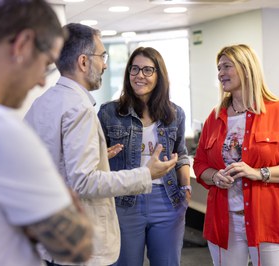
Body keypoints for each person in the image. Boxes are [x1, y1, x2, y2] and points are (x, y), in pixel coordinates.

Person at [24, 24, 178, 266]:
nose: (105, 64)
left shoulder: (43, 103)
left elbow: (40, 165)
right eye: (102, 56)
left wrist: (97, 157)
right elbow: (84, 182)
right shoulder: (80, 109)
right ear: (84, 62)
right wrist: (146, 174)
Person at [0, 1, 94, 265]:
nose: (42, 80)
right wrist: (64, 202)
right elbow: (76, 246)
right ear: (23, 45)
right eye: (46, 63)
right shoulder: (0, 131)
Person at [193, 44, 279, 266]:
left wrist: (258, 173)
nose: (220, 73)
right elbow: (199, 164)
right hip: (224, 222)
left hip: (268, 220)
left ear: (246, 68)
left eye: (227, 66)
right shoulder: (215, 117)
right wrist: (215, 176)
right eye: (218, 68)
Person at [98, 47, 191, 266]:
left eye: (148, 70)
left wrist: (186, 188)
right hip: (124, 201)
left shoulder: (174, 113)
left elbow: (182, 155)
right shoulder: (109, 112)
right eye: (135, 69)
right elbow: (96, 158)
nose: (140, 75)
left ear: (159, 76)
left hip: (167, 200)